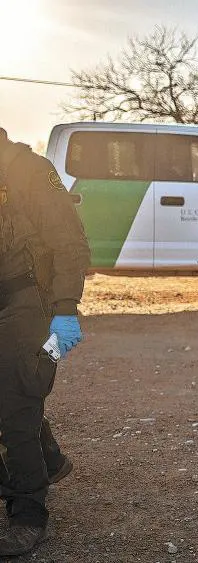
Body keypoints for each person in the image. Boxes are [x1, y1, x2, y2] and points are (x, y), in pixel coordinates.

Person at [0, 127, 90, 556]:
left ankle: (28, 514)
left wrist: (66, 307)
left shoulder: (31, 171)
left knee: (16, 402)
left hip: (26, 302)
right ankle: (49, 458)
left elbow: (69, 243)